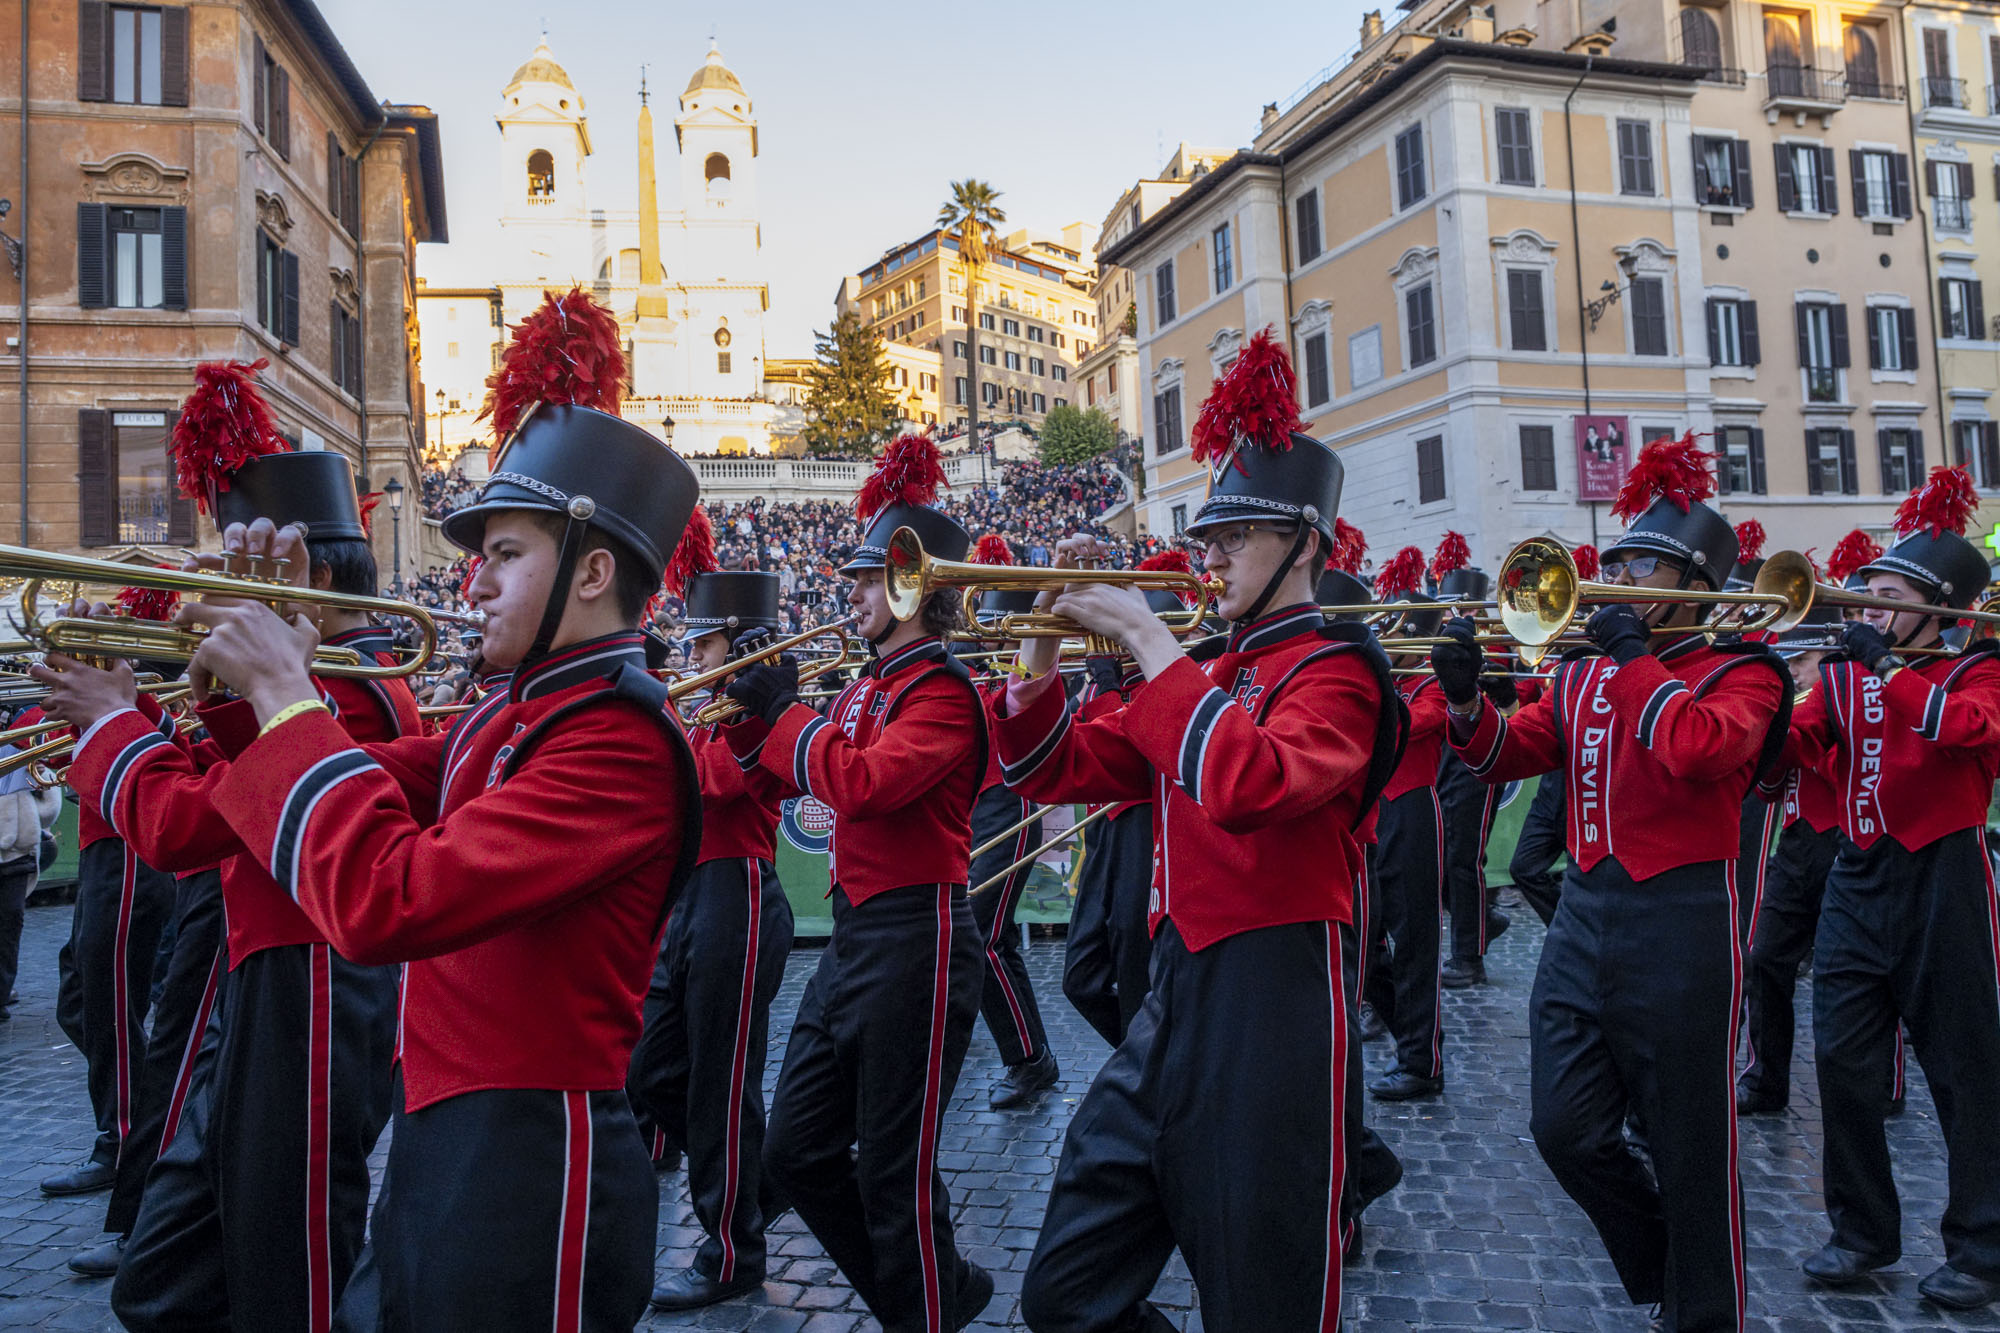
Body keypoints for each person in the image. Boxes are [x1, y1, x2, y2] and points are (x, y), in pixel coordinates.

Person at [89, 305, 698, 1328]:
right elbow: (326, 780)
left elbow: (387, 900)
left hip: (532, 1157)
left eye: (504, 552)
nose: (475, 580)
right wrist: (260, 678)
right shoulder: (515, 716)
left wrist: (288, 694)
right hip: (448, 1134)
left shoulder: (617, 736)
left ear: (593, 575)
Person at [996, 331, 1403, 1331]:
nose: (1207, 557)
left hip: (1274, 1004)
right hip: (1173, 995)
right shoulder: (1211, 676)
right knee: (1063, 1294)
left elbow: (1247, 781)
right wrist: (1039, 646)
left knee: (1262, 1298)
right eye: (1206, 538)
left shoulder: (1338, 672)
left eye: (1235, 538)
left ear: (1304, 544)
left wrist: (1144, 632)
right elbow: (1054, 767)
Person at [42, 388, 418, 1318]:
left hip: (313, 979)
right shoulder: (311, 682)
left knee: (287, 1268)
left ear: (309, 588)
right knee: (169, 1276)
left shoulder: (356, 690)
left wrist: (117, 727)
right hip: (263, 974)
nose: (205, 594)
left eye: (234, 576)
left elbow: (191, 825)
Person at [1435, 433, 1788, 1332]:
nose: (1618, 576)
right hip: (1587, 913)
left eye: (1645, 566)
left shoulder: (1744, 672)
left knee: (1691, 1144)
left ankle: (1705, 1310)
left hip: (1682, 921)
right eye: (1620, 559)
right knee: (1566, 1129)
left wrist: (1634, 659)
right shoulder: (1587, 671)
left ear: (1698, 591)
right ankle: (1662, 1261)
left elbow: (1698, 745)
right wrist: (1470, 705)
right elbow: (1516, 751)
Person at [722, 432, 996, 1333]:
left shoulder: (943, 693)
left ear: (918, 588)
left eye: (873, 579)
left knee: (892, 1170)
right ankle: (935, 1292)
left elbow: (864, 783)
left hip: (918, 937)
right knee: (796, 1149)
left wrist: (784, 714)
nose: (856, 594)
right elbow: (799, 765)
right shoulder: (865, 686)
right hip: (855, 939)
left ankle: (924, 1309)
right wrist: (747, 717)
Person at [1783, 468, 2000, 1312]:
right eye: (1866, 590)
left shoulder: (1976, 671)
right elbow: (1793, 744)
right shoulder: (1842, 675)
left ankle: (1983, 1245)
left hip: (1944, 876)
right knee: (1838, 1056)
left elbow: (1966, 732)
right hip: (1859, 872)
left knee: (1964, 1069)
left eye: (1887, 592)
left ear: (1936, 607)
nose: (1867, 604)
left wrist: (1889, 671)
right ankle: (1861, 1229)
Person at [629, 558, 797, 1313]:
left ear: (743, 644)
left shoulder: (761, 707)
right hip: (691, 897)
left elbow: (712, 786)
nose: (691, 659)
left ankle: (733, 1248)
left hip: (739, 892)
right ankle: (754, 1186)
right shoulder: (706, 711)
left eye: (705, 646)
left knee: (722, 1088)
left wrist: (699, 723)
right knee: (652, 1071)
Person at [961, 540, 1060, 1110]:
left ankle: (1030, 1059)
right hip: (971, 806)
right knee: (972, 934)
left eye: (998, 624)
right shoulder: (967, 665)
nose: (986, 634)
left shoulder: (1025, 665)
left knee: (985, 935)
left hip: (1009, 801)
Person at [1734, 603, 1843, 1116]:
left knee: (1861, 970)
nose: (1793, 670)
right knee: (1764, 959)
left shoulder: (1861, 693)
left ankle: (1878, 1085)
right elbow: (1774, 785)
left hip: (1857, 841)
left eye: (1803, 659)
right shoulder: (1797, 702)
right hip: (1800, 843)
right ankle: (1764, 1079)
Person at [1362, 546, 1452, 1101]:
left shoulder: (1434, 685)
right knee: (1365, 944)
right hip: (1372, 814)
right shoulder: (1384, 683)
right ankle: (1402, 1032)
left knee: (1416, 943)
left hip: (1416, 811)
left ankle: (1424, 1060)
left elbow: (1412, 725)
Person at [0, 764, 60, 1024]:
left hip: (17, 847)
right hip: (16, 843)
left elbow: (49, 811)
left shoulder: (20, 743)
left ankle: (1, 993)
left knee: (10, 921)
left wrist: (29, 810)